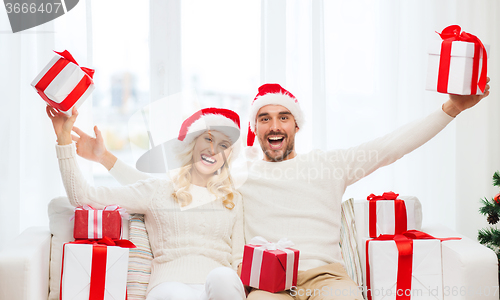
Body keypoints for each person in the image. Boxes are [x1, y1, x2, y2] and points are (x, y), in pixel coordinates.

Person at [72, 79, 491, 300]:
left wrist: (451, 109)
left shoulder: (329, 165)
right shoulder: (236, 177)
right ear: (254, 130)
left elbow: (391, 146)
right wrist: (106, 160)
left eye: (284, 117)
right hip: (266, 285)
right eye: (265, 118)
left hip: (328, 278)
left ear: (296, 125)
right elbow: (163, 192)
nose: (275, 125)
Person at [47, 105, 247, 300]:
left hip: (217, 289)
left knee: (224, 277)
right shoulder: (158, 191)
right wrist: (64, 141)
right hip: (169, 286)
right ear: (192, 142)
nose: (214, 150)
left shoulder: (233, 200)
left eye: (224, 145)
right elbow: (83, 196)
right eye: (208, 138)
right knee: (178, 296)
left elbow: (238, 260)